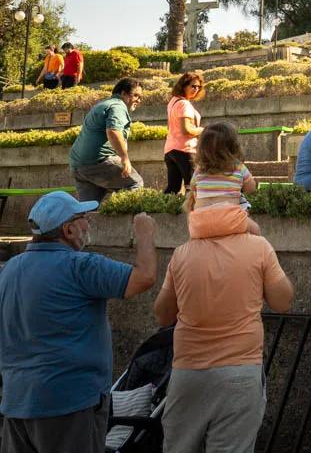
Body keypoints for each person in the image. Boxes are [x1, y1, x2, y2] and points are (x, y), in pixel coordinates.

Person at [0, 193, 157, 453]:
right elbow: (145, 278)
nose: (88, 223)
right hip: (68, 405)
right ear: (68, 229)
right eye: (83, 218)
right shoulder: (79, 266)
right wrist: (145, 233)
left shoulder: (9, 270)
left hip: (17, 403)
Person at [155, 185, 293, 452]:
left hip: (188, 373)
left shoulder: (181, 254)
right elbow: (283, 301)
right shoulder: (258, 248)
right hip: (240, 371)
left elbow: (163, 315)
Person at [69, 78, 144, 203]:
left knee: (88, 208)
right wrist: (124, 158)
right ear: (123, 93)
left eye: (140, 97)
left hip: (78, 165)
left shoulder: (103, 104)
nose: (139, 100)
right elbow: (113, 131)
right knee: (135, 183)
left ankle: (79, 222)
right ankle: (124, 221)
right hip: (99, 161)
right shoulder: (118, 106)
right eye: (136, 95)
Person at [187, 122, 258, 214]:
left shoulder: (200, 170)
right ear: (234, 146)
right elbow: (251, 189)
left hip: (200, 219)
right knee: (255, 228)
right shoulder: (238, 167)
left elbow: (193, 187)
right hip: (229, 217)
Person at [164, 71, 205, 196]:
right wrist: (204, 130)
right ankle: (192, 214)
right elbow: (186, 130)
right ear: (184, 85)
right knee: (193, 187)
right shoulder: (184, 104)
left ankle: (161, 212)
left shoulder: (173, 102)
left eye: (198, 87)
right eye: (193, 86)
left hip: (170, 150)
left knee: (172, 189)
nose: (196, 89)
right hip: (185, 150)